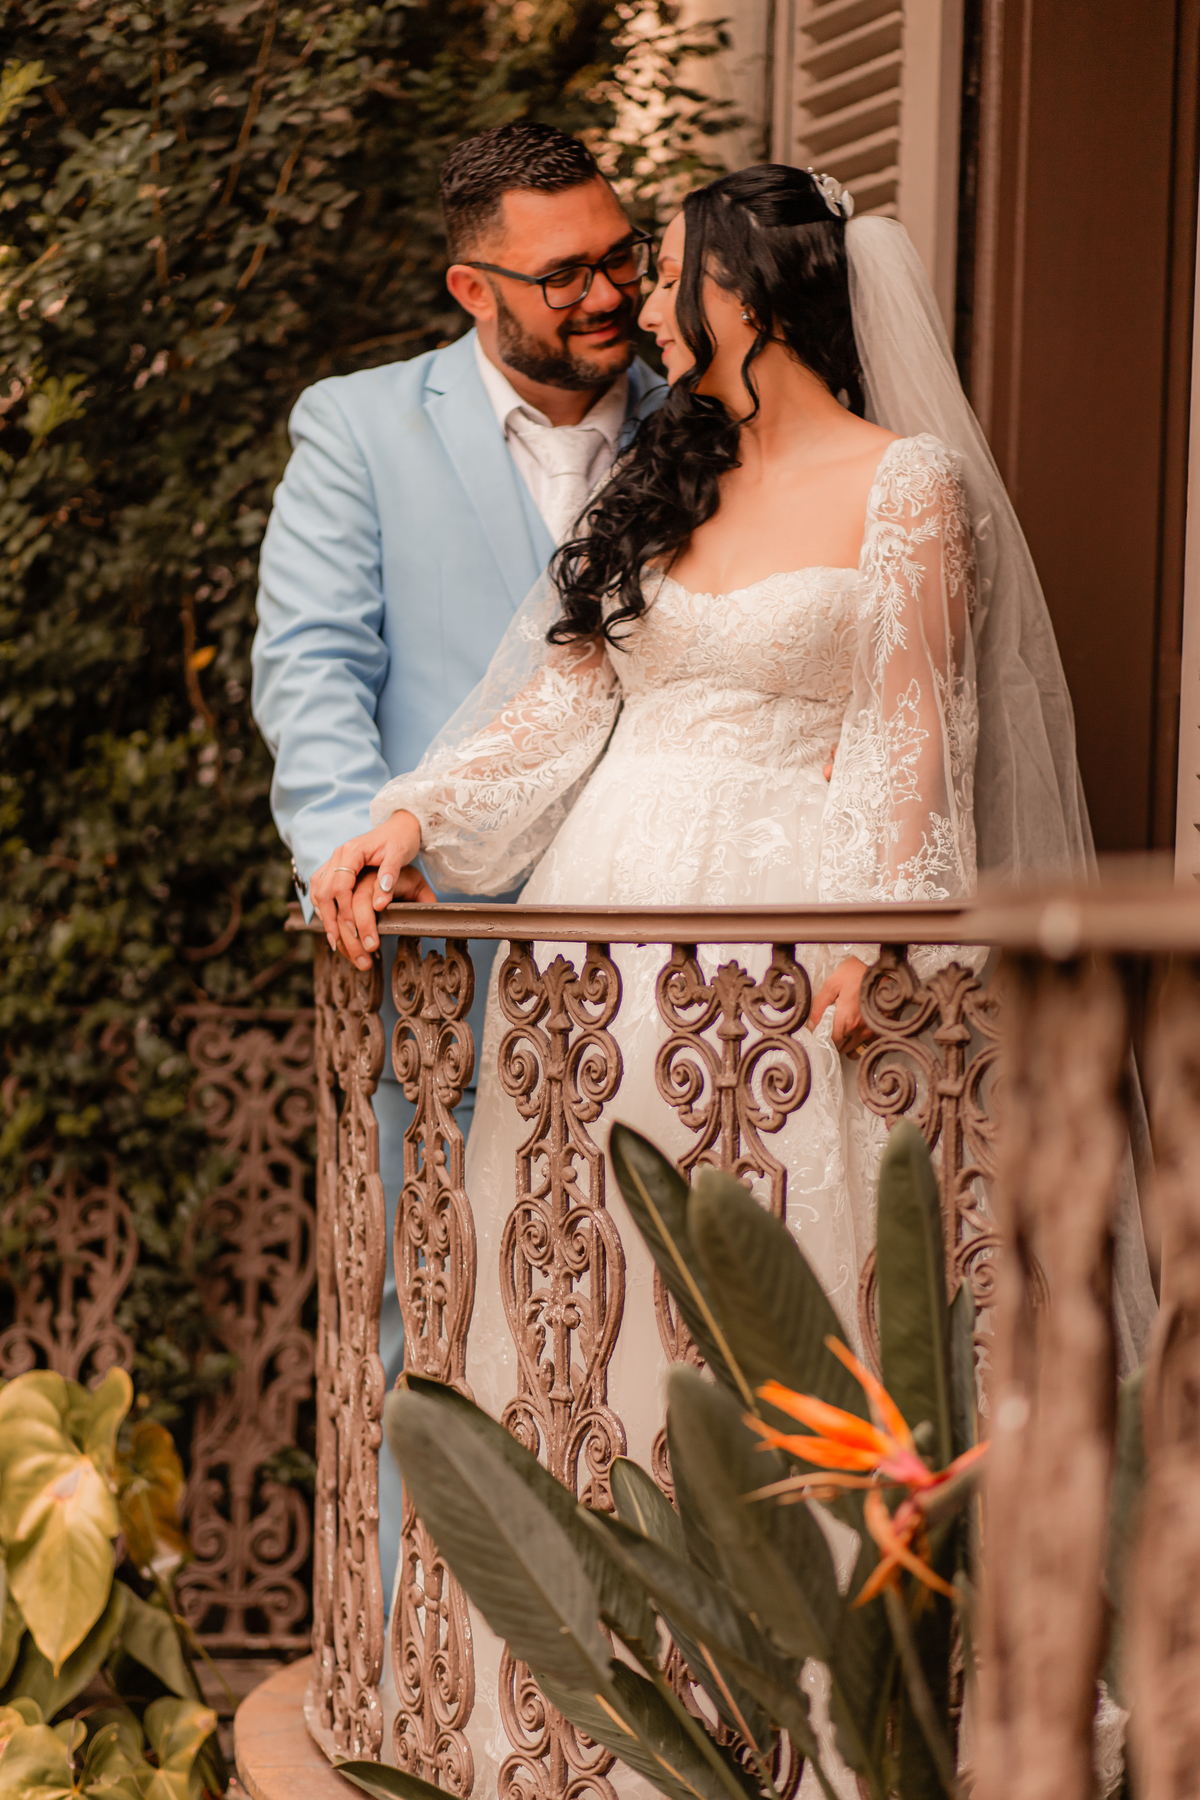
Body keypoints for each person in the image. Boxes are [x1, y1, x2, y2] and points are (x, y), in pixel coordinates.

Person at [310, 165, 1155, 1796]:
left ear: (747, 291)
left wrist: (862, 942)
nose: (639, 298)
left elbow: (915, 743)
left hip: (779, 975)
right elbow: (559, 712)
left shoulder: (909, 487)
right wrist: (404, 816)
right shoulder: (659, 470)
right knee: (596, 1314)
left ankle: (830, 1728)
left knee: (782, 1316)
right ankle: (599, 1720)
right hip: (600, 962)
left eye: (669, 270)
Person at [251, 121, 665, 1605]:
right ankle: (416, 1675)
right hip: (441, 962)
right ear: (470, 287)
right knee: (421, 1324)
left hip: (671, 979)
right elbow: (309, 669)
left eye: (623, 255)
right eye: (567, 275)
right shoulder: (359, 427)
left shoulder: (706, 424)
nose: (609, 293)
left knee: (641, 1331)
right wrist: (351, 855)